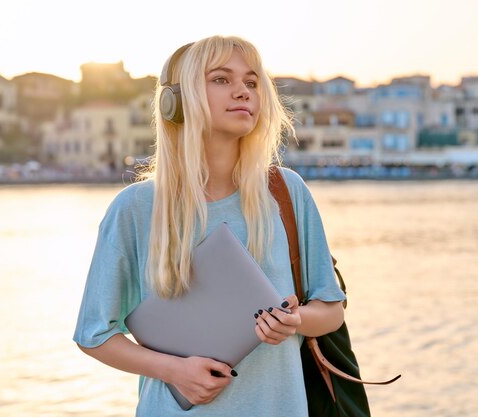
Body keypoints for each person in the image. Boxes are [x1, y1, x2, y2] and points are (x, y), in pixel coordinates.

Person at [73, 35, 346, 416]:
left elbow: (332, 311)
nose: (242, 92)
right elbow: (93, 334)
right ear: (176, 102)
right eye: (221, 79)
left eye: (251, 82)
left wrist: (296, 320)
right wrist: (176, 371)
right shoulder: (135, 208)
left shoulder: (287, 191)